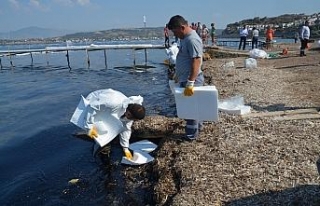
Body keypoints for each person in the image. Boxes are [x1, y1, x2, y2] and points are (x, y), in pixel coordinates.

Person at [76, 89, 146, 160]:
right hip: (93, 101)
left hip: (108, 110)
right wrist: (89, 126)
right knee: (101, 131)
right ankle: (100, 149)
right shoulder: (113, 102)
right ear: (128, 109)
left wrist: (125, 148)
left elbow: (125, 129)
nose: (128, 118)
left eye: (132, 118)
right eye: (129, 115)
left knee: (113, 128)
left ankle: (102, 143)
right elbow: (92, 106)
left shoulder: (129, 115)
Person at [167, 15, 204, 141]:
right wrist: (179, 75)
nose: (175, 35)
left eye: (175, 32)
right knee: (193, 107)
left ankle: (191, 136)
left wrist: (190, 82)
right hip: (186, 78)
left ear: (182, 27)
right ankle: (198, 130)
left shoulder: (192, 40)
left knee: (191, 109)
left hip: (192, 79)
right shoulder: (185, 38)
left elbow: (196, 61)